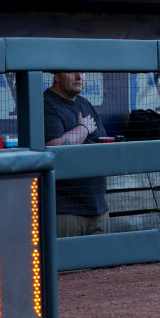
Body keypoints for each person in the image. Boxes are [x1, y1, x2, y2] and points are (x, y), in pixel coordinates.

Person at [44, 71, 108, 235]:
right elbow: (54, 149)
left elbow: (102, 142)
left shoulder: (85, 104)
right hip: (65, 211)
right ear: (57, 76)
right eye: (73, 72)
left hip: (98, 208)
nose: (79, 76)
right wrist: (83, 129)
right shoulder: (46, 103)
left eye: (83, 72)